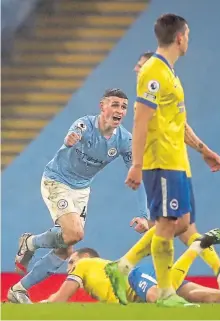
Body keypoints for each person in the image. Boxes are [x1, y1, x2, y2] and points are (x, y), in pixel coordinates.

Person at [105, 13, 220, 307]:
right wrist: (136, 164)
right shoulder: (154, 72)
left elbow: (178, 123)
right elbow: (140, 120)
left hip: (177, 161)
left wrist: (203, 150)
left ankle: (122, 266)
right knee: (168, 222)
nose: (189, 42)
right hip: (161, 161)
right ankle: (166, 293)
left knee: (182, 223)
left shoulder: (170, 73)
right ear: (180, 37)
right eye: (188, 36)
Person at [9, 88, 148, 303]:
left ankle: (18, 289)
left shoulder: (124, 141)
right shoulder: (84, 125)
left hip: (81, 190)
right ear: (102, 106)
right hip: (57, 180)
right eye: (114, 104)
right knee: (74, 233)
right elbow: (66, 146)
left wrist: (144, 214)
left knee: (65, 251)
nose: (119, 110)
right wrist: (68, 143)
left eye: (123, 107)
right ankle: (31, 242)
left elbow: (137, 178)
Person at [131, 51, 220, 291]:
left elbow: (173, 126)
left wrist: (136, 164)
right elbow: (180, 125)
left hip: (160, 165)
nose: (137, 70)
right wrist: (204, 150)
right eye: (137, 66)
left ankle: (127, 266)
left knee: (170, 225)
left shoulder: (151, 95)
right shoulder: (158, 92)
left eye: (141, 66)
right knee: (186, 228)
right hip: (172, 164)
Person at [8, 229, 220, 305]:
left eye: (71, 261)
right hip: (144, 277)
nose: (68, 268)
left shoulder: (84, 264)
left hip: (139, 277)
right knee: (208, 297)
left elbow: (59, 299)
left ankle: (197, 246)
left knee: (162, 297)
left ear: (84, 256)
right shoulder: (100, 268)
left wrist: (35, 307)